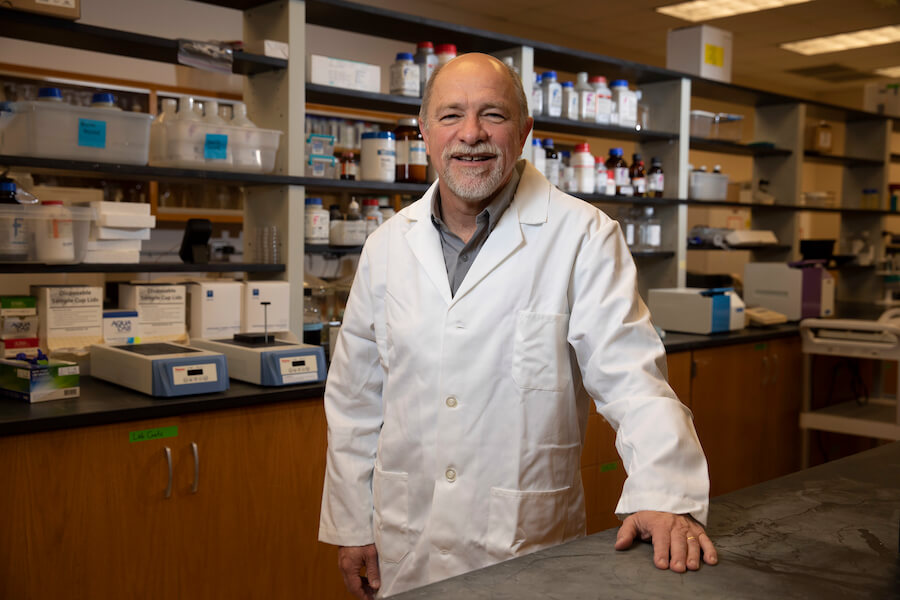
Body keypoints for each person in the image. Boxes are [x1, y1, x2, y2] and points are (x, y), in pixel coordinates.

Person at [319, 53, 717, 599]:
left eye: (494, 115)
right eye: (451, 115)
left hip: (526, 545)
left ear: (525, 131)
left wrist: (665, 493)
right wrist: (351, 524)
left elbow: (630, 376)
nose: (472, 135)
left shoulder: (582, 236)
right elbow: (355, 401)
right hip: (405, 540)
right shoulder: (387, 245)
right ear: (425, 132)